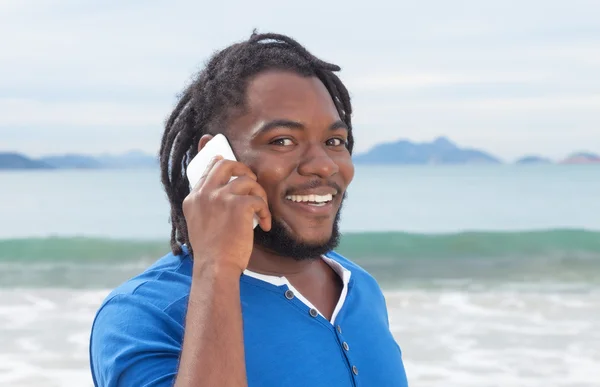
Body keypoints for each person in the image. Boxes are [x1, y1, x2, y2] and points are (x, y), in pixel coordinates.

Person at [89, 31, 409, 387]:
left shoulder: (358, 286)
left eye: (335, 141)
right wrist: (217, 269)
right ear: (215, 159)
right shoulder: (141, 315)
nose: (323, 165)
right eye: (282, 141)